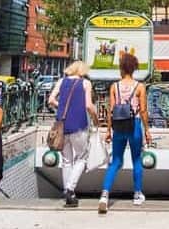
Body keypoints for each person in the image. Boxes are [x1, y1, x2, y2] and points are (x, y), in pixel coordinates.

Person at [98, 53, 151, 214]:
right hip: (134, 125)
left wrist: (108, 130)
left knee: (115, 161)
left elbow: (111, 110)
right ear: (134, 68)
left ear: (121, 68)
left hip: (118, 125)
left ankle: (105, 195)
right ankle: (137, 194)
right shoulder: (140, 87)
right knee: (136, 160)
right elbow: (143, 110)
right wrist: (147, 130)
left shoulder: (114, 86)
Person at [48, 61, 98, 208]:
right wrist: (96, 119)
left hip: (62, 125)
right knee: (82, 157)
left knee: (66, 161)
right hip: (78, 124)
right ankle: (70, 188)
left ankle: (68, 193)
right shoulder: (85, 83)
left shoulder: (61, 81)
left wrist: (63, 107)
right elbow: (89, 105)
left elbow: (51, 100)